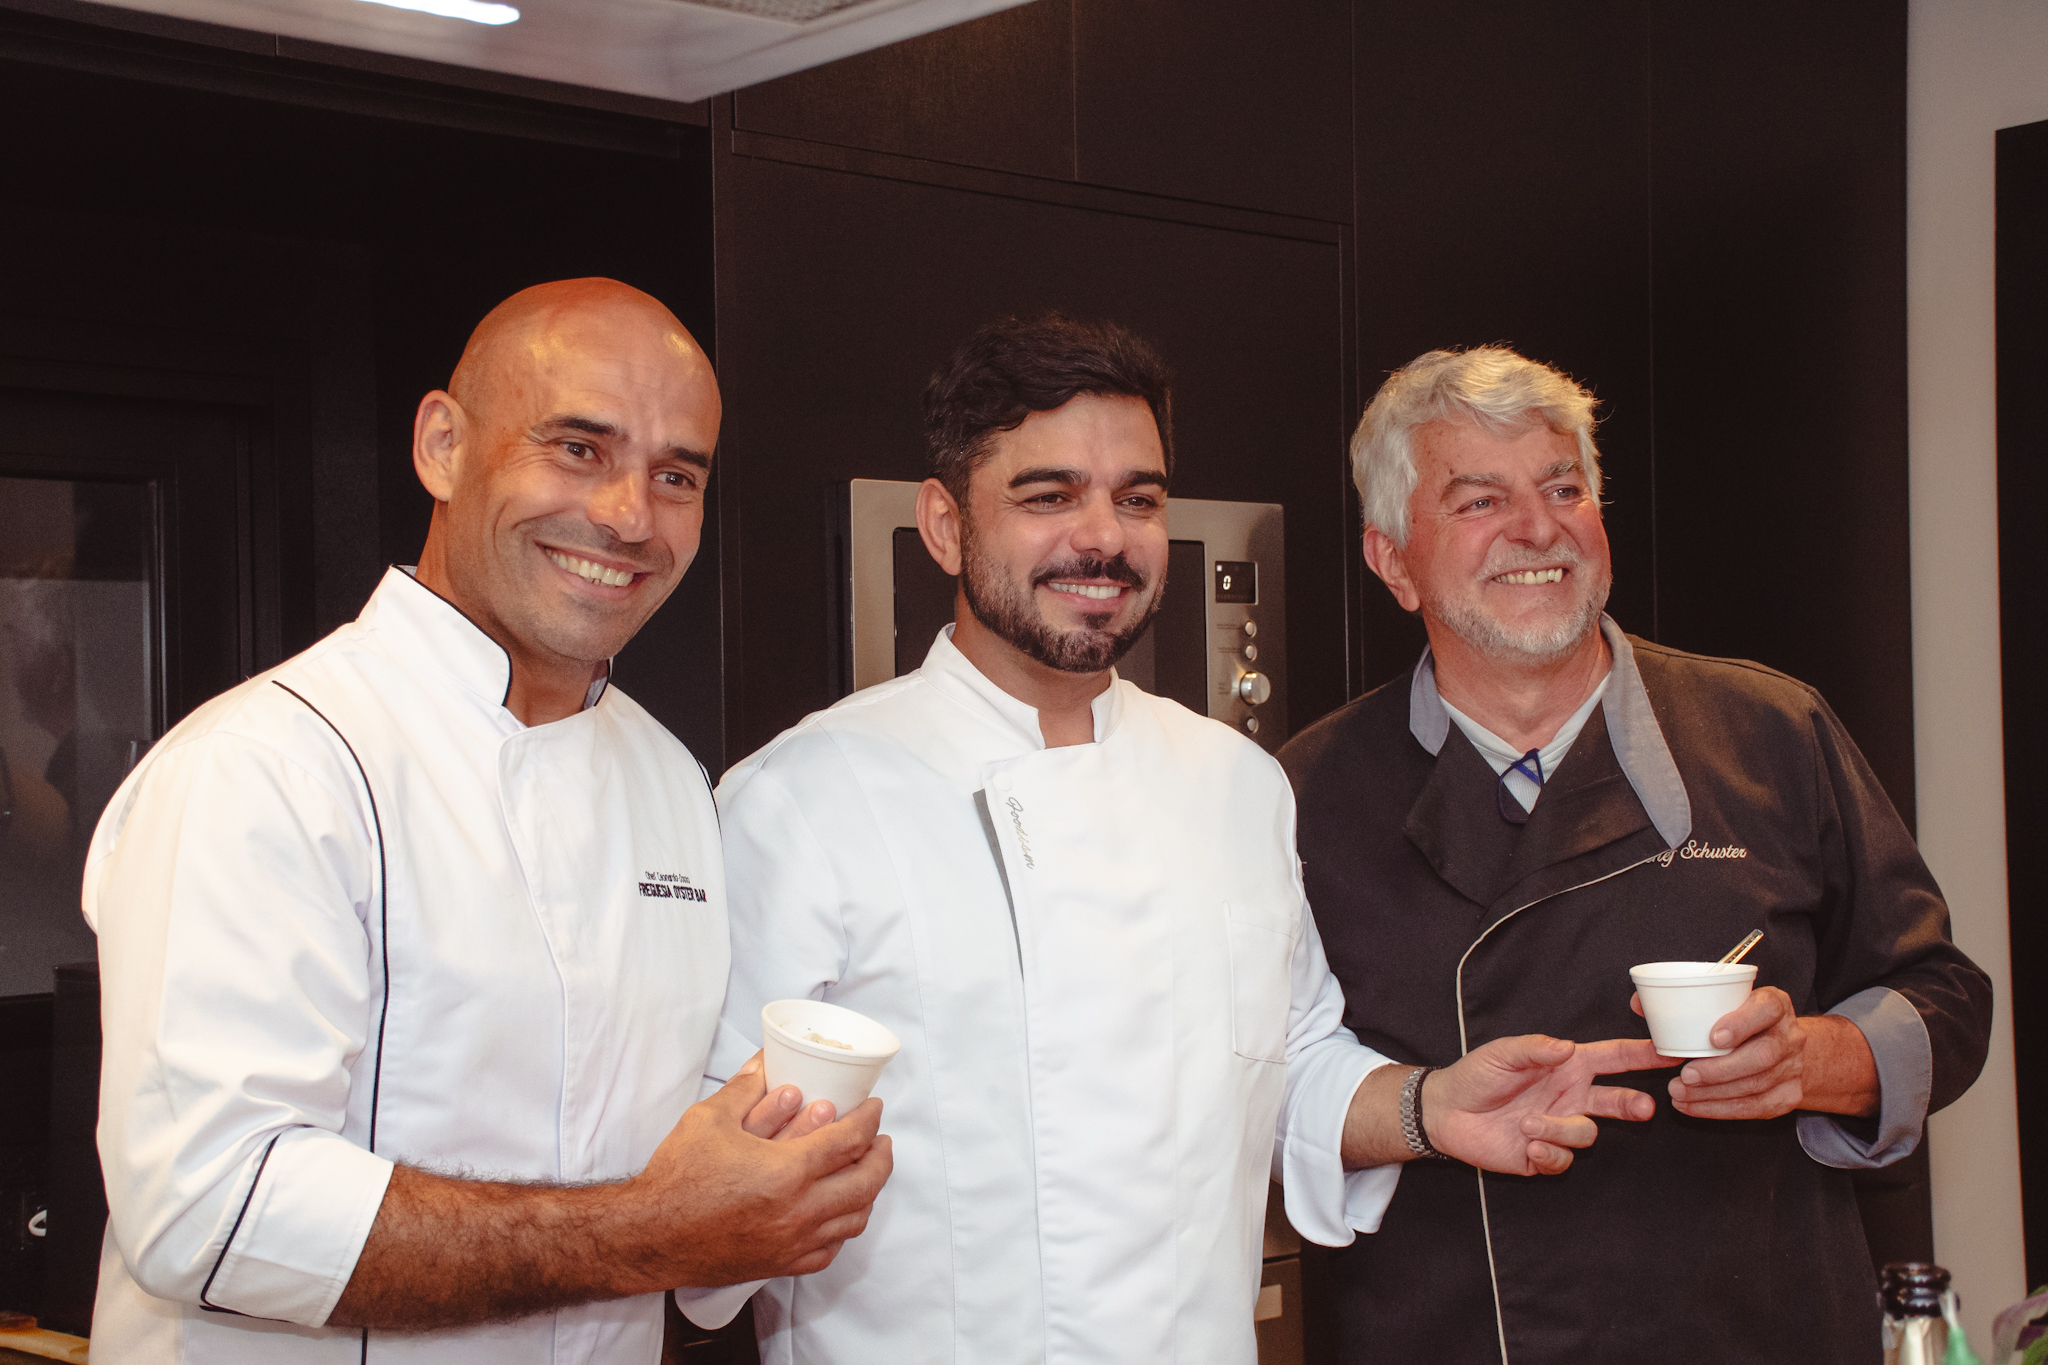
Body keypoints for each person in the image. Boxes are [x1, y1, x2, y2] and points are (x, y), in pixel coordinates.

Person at [681, 314, 1669, 1363]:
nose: (1102, 537)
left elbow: (1290, 1064)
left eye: (1138, 499)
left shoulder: (1234, 783)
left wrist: (1431, 1108)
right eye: (1048, 495)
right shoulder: (805, 800)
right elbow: (710, 1190)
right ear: (943, 525)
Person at [83, 279, 892, 1363]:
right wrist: (649, 1232)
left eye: (676, 476)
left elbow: (680, 1192)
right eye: (578, 448)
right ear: (442, 446)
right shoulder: (266, 765)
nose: (628, 516)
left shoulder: (668, 778)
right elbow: (207, 1211)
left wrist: (771, 1181)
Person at [1278, 345, 1995, 1363]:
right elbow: (1257, 1096)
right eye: (1480, 501)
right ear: (1392, 560)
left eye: (1562, 488)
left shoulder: (1769, 731)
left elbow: (1944, 999)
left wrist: (1809, 1060)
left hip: (1758, 1335)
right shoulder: (1306, 795)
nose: (1538, 528)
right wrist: (1423, 1109)